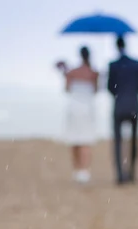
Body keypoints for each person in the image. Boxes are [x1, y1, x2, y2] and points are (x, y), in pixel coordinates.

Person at [107, 36, 138, 184]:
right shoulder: (137, 64)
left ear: (116, 47)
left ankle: (120, 174)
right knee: (134, 140)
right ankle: (132, 173)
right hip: (133, 106)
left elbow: (110, 87)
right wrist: (132, 93)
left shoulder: (113, 65)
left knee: (118, 142)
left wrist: (120, 95)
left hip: (119, 107)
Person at [57, 47, 99, 183]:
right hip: (87, 108)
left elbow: (67, 89)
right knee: (85, 140)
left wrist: (64, 73)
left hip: (74, 107)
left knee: (74, 139)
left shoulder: (72, 72)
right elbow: (96, 90)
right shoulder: (93, 73)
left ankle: (77, 168)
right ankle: (84, 170)